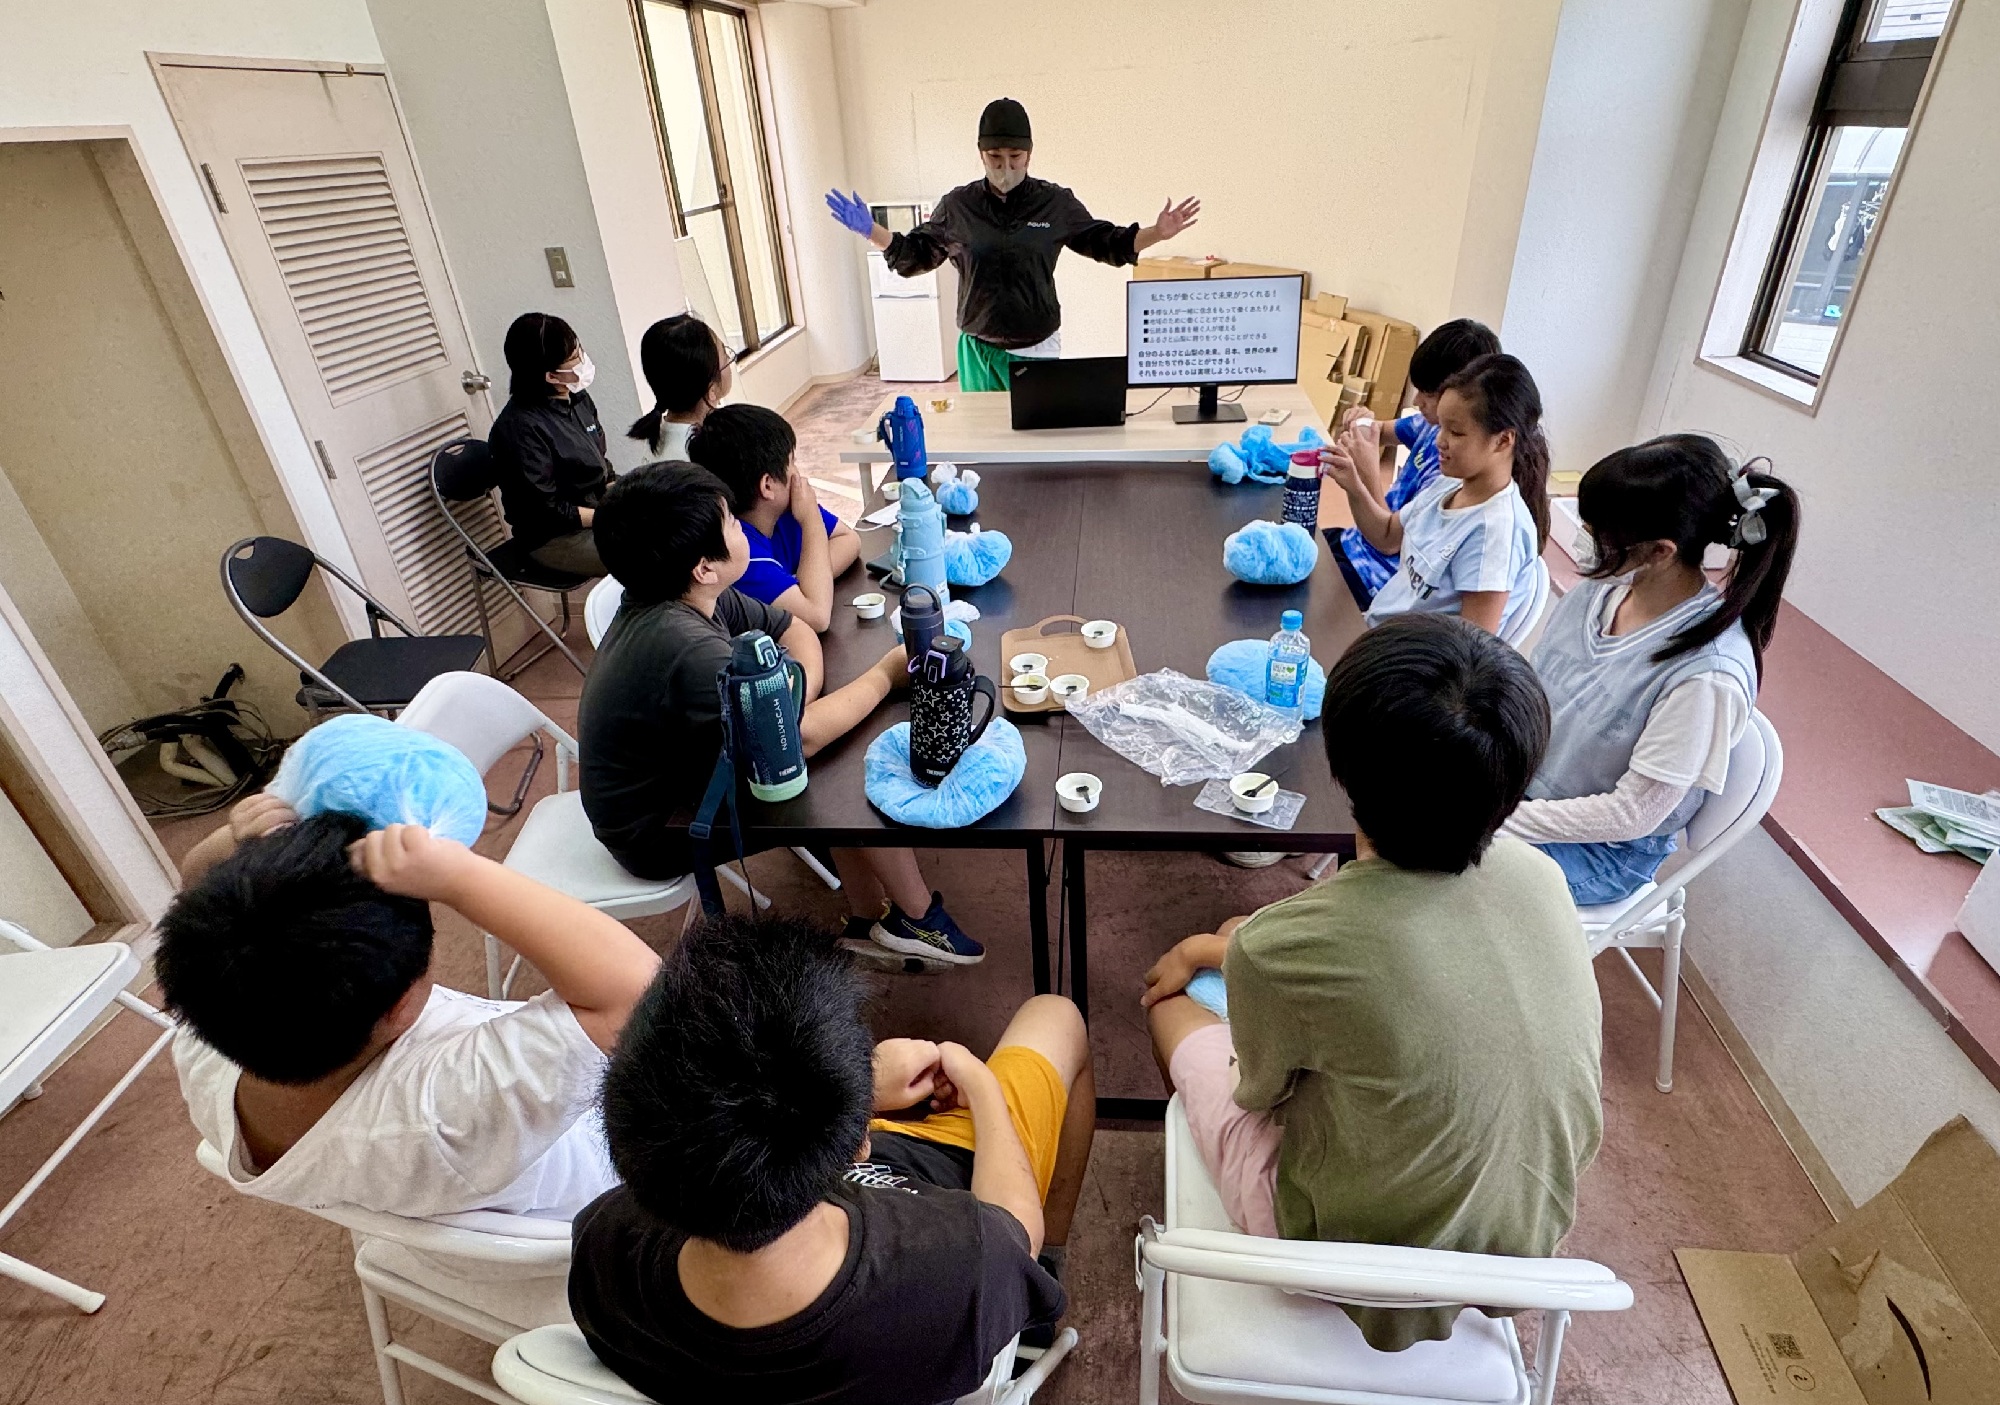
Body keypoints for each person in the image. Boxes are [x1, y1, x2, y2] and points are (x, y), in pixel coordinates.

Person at [1142, 615, 1603, 1353]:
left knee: (1171, 1005)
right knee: (1242, 939)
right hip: (1521, 1249)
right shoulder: (1542, 878)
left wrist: (1217, 954)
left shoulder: (1282, 945)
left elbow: (1259, 1092)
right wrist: (1222, 946)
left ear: (1342, 768)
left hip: (1349, 1258)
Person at [569, 915, 1093, 1405]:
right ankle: (1050, 1277)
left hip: (812, 1160)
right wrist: (978, 1084)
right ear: (861, 1142)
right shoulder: (966, 1268)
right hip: (948, 1168)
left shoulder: (603, 1248)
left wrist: (861, 1091)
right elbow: (1018, 1232)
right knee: (1056, 1015)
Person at [160, 801, 660, 1219]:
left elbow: (193, 900)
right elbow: (635, 991)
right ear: (401, 1008)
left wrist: (234, 845)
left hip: (425, 1198)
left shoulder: (205, 1038)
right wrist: (461, 879)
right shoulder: (441, 1113)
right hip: (597, 1197)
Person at [579, 462, 984, 968]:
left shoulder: (696, 594)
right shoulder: (685, 645)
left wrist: (793, 701)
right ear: (704, 566)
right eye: (731, 522)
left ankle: (870, 918)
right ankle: (917, 919)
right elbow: (802, 738)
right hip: (658, 830)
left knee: (832, 747)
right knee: (850, 768)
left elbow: (795, 628)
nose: (741, 529)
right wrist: (883, 675)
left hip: (685, 774)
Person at [1504, 436, 1798, 905]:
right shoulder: (1600, 592)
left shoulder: (1708, 673)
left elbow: (1632, 814)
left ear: (1661, 551)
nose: (1583, 537)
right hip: (1523, 794)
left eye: (1597, 532)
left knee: (1431, 864)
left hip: (1602, 852)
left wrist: (1497, 820)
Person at [825, 98, 1201, 392]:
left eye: (1015, 157)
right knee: (984, 444)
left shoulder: (1054, 203)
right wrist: (873, 231)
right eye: (995, 157)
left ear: (1029, 155)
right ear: (981, 154)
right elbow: (915, 256)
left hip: (1036, 346)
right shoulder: (958, 206)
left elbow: (1107, 242)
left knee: (1035, 442)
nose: (1006, 167)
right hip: (978, 349)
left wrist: (1157, 232)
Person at [1324, 352, 1551, 638]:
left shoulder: (1494, 534)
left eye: (1455, 432)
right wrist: (1354, 486)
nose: (1440, 441)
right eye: (1440, 427)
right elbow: (1386, 536)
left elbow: (1471, 647)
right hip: (1376, 632)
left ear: (1503, 440)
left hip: (1405, 657)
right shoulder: (1449, 484)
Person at [1331, 318, 1502, 609]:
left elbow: (1389, 541)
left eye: (1428, 394)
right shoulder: (1432, 425)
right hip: (1358, 543)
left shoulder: (1453, 472)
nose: (1416, 400)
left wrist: (1365, 472)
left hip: (1377, 577)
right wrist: (1362, 423)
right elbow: (1378, 430)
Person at [688, 403, 862, 631]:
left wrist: (803, 583)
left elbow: (849, 539)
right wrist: (811, 521)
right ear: (768, 485)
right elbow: (817, 617)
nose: (798, 472)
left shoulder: (785, 511)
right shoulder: (739, 553)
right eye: (792, 462)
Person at [488, 311, 614, 577]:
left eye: (579, 350)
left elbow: (601, 464)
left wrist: (631, 496)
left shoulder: (578, 399)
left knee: (680, 521)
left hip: (597, 512)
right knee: (655, 554)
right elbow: (547, 512)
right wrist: (610, 517)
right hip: (554, 537)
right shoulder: (520, 429)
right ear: (551, 376)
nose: (583, 360)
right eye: (574, 358)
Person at [628, 313, 734, 463]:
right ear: (711, 389)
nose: (729, 359)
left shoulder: (658, 436)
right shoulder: (710, 454)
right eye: (726, 356)